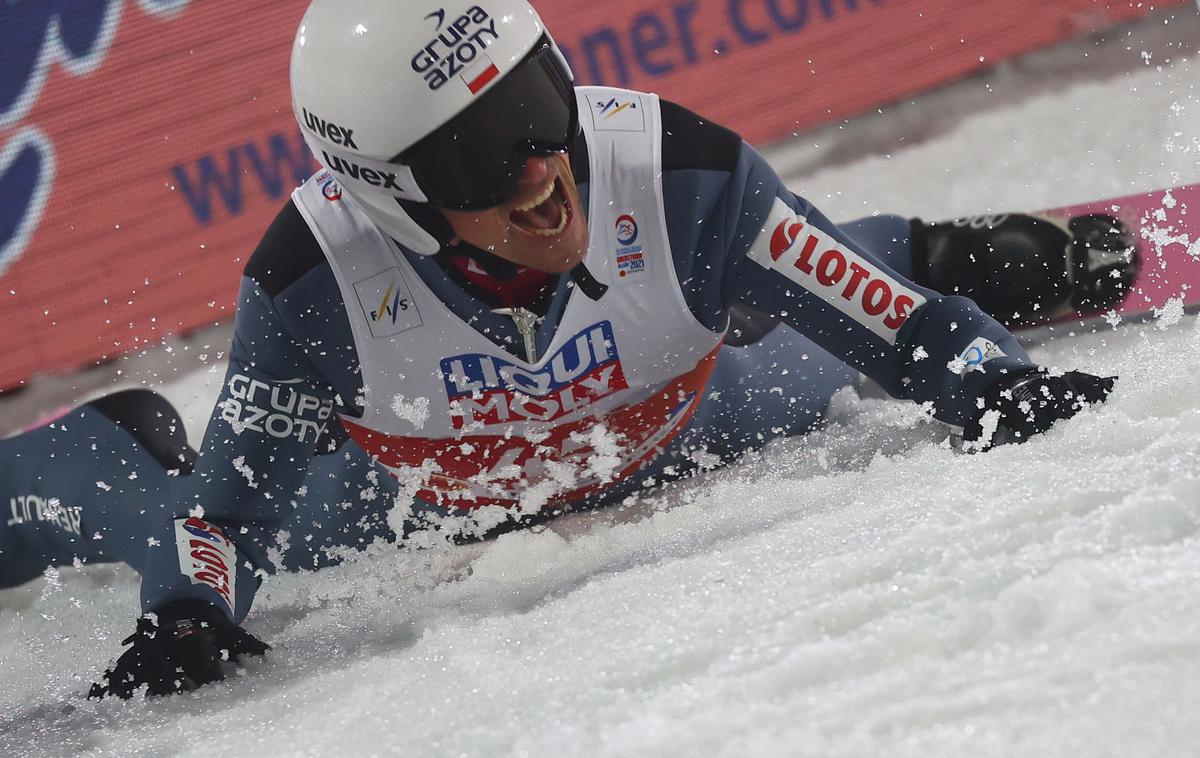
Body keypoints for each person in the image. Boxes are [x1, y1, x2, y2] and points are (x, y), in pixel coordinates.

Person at [0, 0, 1135, 699]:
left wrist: (993, 380)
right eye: (483, 158)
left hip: (676, 415)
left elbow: (884, 324)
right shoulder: (312, 284)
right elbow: (231, 522)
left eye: (541, 105)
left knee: (808, 337)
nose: (544, 172)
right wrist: (191, 613)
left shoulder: (672, 171)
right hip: (405, 495)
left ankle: (928, 242)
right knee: (178, 530)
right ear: (391, 197)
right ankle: (100, 445)